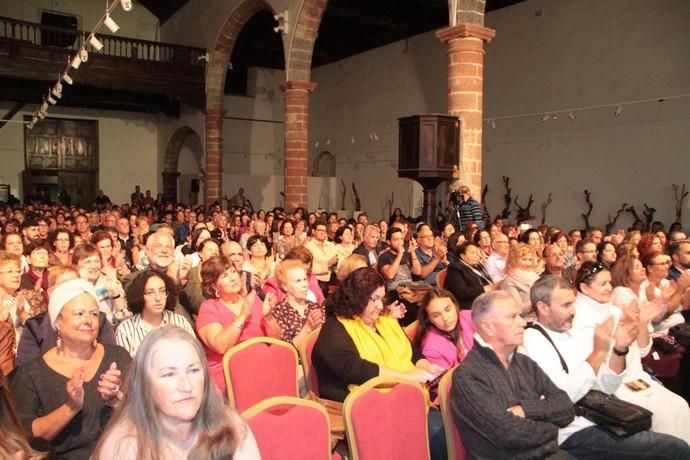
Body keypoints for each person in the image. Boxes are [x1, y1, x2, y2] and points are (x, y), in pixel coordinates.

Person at [522, 275, 690, 458]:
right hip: (573, 431)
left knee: (676, 414)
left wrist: (619, 349)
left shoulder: (570, 332)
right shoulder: (533, 340)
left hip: (599, 418)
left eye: (573, 303)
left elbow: (605, 387)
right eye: (566, 305)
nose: (574, 311)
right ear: (543, 307)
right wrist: (598, 353)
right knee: (674, 448)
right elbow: (563, 397)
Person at [312, 267, 446, 459]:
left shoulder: (384, 320)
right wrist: (405, 377)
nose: (379, 305)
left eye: (381, 298)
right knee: (438, 436)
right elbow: (358, 369)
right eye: (373, 299)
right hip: (371, 407)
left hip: (410, 395)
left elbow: (410, 353)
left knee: (452, 425)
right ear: (355, 298)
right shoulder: (335, 330)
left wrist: (425, 366)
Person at [93, 326, 261, 459]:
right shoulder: (123, 447)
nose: (186, 385)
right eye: (169, 374)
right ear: (145, 384)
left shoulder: (231, 426)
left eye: (194, 370)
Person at [11, 279, 131, 460]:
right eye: (79, 313)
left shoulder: (118, 357)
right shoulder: (31, 375)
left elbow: (143, 414)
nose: (88, 321)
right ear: (58, 321)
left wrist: (117, 401)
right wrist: (71, 407)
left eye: (93, 314)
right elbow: (25, 438)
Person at [573, 261, 690, 442]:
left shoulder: (615, 310)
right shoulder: (579, 318)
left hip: (637, 379)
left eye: (610, 282)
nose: (609, 288)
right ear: (584, 288)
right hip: (609, 386)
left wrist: (642, 322)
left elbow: (642, 351)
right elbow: (598, 368)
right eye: (602, 284)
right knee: (662, 415)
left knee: (680, 405)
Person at [452, 290, 576, 458]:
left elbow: (566, 408)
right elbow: (508, 433)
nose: (523, 322)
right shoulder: (468, 375)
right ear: (488, 326)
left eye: (520, 315)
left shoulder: (524, 362)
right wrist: (553, 427)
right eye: (513, 317)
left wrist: (525, 410)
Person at [196, 256, 281, 392]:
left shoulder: (254, 301)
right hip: (228, 375)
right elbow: (220, 346)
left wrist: (268, 317)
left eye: (233, 272)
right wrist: (242, 316)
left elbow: (276, 340)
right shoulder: (209, 308)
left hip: (261, 367)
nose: (233, 278)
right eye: (224, 275)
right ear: (213, 285)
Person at [116, 271, 195, 356]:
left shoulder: (180, 322)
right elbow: (127, 367)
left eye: (162, 291)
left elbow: (195, 354)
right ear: (139, 295)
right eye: (150, 292)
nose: (158, 298)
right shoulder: (125, 330)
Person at [413, 287, 475, 371]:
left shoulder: (470, 316)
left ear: (455, 305)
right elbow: (449, 381)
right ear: (430, 319)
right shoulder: (431, 348)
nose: (445, 318)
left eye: (448, 310)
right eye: (436, 315)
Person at [272, 259, 325, 346]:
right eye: (298, 281)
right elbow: (286, 352)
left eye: (305, 279)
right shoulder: (278, 312)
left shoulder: (316, 307)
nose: (305, 285)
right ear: (285, 286)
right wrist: (307, 328)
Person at [445, 242, 493, 309]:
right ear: (463, 256)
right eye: (473, 253)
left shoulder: (477, 265)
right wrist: (484, 289)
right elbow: (462, 293)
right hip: (469, 303)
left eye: (477, 253)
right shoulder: (455, 268)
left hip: (485, 297)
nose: (477, 255)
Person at [500, 242, 540, 320]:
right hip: (527, 321)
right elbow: (517, 309)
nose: (528, 263)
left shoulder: (535, 276)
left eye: (530, 259)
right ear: (514, 260)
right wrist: (536, 301)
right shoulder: (509, 282)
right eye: (524, 259)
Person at [304, 220, 339, 294]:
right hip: (317, 278)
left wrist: (335, 263)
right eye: (319, 230)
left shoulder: (331, 245)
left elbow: (336, 261)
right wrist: (328, 264)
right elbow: (308, 268)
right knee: (323, 287)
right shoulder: (308, 247)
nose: (322, 233)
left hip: (333, 275)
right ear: (313, 231)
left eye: (324, 230)